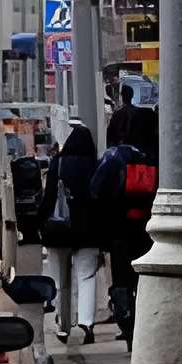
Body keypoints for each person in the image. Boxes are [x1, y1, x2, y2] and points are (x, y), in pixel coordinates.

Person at [91, 106, 158, 346]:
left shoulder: (116, 156)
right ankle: (149, 324)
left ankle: (127, 326)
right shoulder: (160, 155)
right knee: (148, 278)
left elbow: (95, 190)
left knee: (121, 280)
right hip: (152, 229)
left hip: (119, 228)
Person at [39, 123, 106, 346]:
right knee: (86, 277)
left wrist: (40, 223)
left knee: (61, 282)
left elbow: (49, 198)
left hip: (59, 231)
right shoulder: (95, 166)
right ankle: (86, 324)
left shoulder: (57, 164)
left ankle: (63, 325)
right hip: (88, 231)